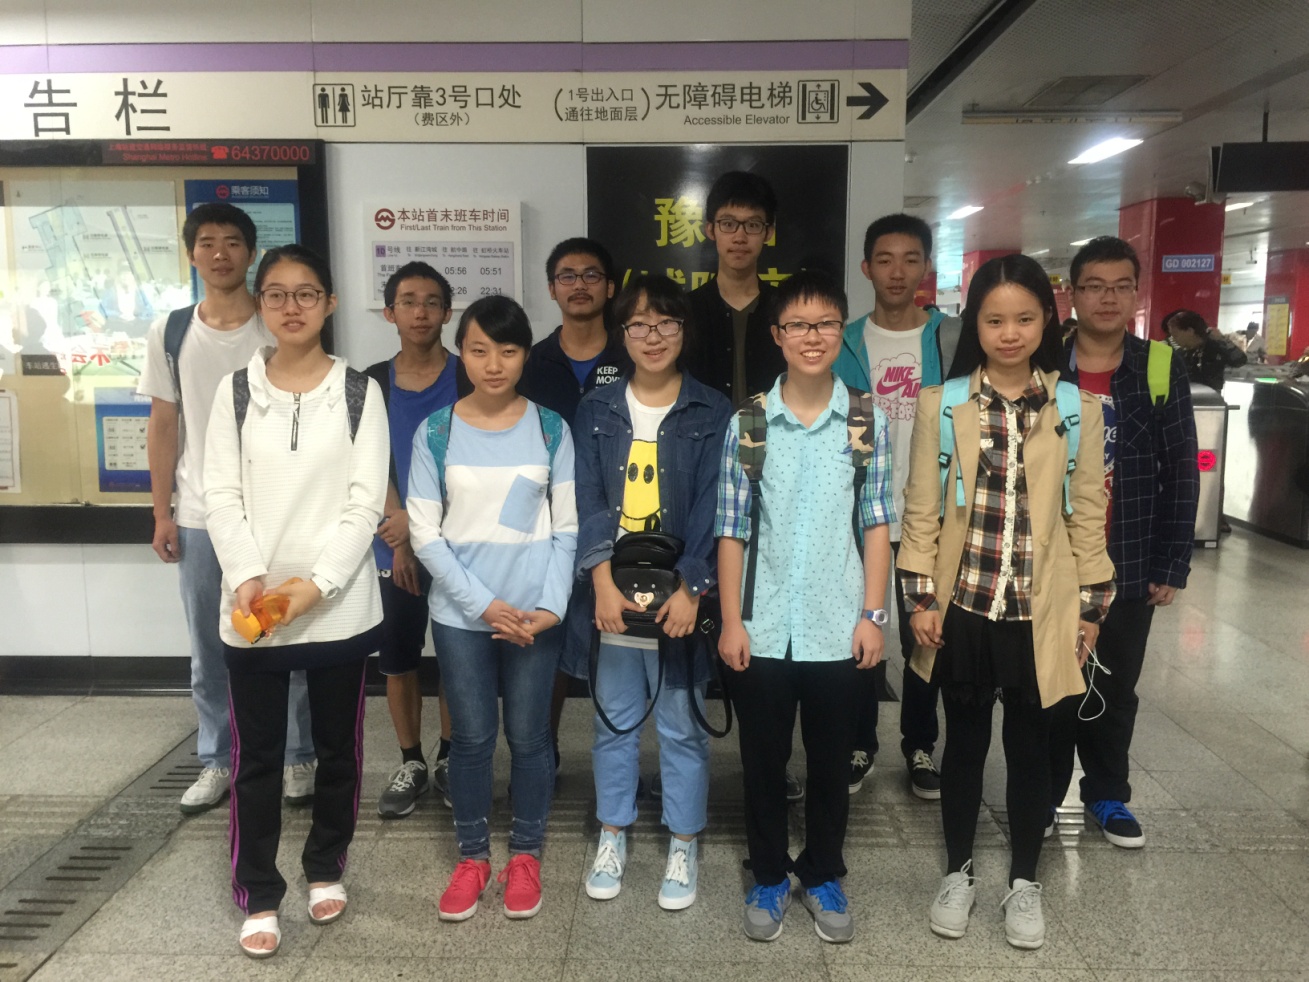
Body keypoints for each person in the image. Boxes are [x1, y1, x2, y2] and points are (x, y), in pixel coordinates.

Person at [897, 253, 1116, 951]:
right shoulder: (943, 404)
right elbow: (921, 511)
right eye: (994, 320)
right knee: (962, 746)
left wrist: (1091, 609)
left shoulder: (1077, 409)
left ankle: (1024, 881)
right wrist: (919, 599)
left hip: (1040, 609)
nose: (1010, 333)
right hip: (964, 604)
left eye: (1024, 318)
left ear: (1047, 319)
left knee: (1031, 751)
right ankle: (957, 872)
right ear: (976, 325)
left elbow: (1087, 514)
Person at [204, 244, 389, 958]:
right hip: (254, 609)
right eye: (276, 294)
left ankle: (324, 865)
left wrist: (316, 585)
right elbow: (220, 494)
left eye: (306, 293)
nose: (291, 307)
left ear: (329, 304)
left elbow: (365, 502)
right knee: (257, 758)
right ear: (261, 304)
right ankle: (258, 891)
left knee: (339, 750)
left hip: (337, 605)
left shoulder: (358, 392)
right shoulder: (236, 393)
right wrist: (249, 575)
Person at [716, 270, 894, 944]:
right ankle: (767, 872)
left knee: (830, 763)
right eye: (797, 325)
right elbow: (731, 529)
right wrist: (731, 621)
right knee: (762, 762)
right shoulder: (750, 421)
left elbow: (876, 522)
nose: (811, 337)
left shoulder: (865, 418)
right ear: (777, 335)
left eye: (824, 324)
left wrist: (872, 616)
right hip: (761, 627)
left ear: (841, 332)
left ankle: (821, 872)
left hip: (838, 624)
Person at [137, 202, 316, 816]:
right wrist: (162, 511)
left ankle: (297, 755)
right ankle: (217, 758)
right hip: (198, 513)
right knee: (209, 644)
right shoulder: (171, 331)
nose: (220, 253)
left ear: (250, 252)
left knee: (283, 629)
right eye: (207, 242)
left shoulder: (276, 326)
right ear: (191, 253)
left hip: (274, 512)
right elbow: (164, 423)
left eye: (233, 241)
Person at [408, 295, 578, 922]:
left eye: (507, 351)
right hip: (462, 617)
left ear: (525, 354)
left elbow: (568, 528)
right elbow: (425, 535)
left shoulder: (551, 428)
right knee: (473, 738)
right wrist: (483, 606)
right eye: (479, 350)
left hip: (534, 616)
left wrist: (551, 608)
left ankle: (526, 854)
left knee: (531, 739)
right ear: (462, 353)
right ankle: (473, 857)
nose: (494, 364)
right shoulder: (437, 432)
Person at [568, 274, 731, 909]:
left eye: (666, 323)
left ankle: (683, 842)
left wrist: (692, 587)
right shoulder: (597, 409)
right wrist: (600, 582)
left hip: (679, 601)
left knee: (681, 727)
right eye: (639, 324)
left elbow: (716, 506)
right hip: (613, 599)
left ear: (684, 331)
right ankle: (613, 832)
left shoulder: (712, 410)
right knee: (613, 722)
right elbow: (586, 497)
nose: (653, 336)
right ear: (623, 333)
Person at [1049, 237, 1199, 848]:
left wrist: (1172, 561)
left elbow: (1181, 468)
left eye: (1120, 286)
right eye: (1094, 286)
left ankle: (1107, 793)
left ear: (1136, 294)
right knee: (1049, 682)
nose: (1107, 298)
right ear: (1072, 294)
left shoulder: (1159, 366)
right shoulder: (1045, 362)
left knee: (1114, 684)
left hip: (1128, 556)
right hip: (1051, 558)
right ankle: (1043, 792)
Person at [834, 212, 962, 800]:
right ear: (866, 268)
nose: (897, 271)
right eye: (884, 260)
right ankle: (860, 742)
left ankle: (919, 745)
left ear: (926, 267)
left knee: (924, 635)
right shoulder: (845, 341)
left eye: (911, 259)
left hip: (930, 516)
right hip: (862, 511)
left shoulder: (950, 339)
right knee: (862, 627)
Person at [518, 237, 630, 773]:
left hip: (622, 521)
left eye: (591, 275)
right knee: (548, 645)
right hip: (546, 525)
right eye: (567, 275)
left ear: (610, 288)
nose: (579, 285)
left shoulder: (633, 355)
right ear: (551, 288)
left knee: (620, 642)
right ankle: (543, 756)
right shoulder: (531, 363)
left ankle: (619, 764)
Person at [364, 262, 471, 819]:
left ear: (447, 312)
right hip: (392, 541)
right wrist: (400, 529)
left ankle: (450, 757)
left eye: (432, 302)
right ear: (390, 313)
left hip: (457, 541)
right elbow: (365, 460)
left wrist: (420, 527)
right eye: (408, 301)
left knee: (456, 654)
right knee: (399, 657)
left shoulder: (468, 376)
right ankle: (411, 761)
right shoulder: (371, 383)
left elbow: (477, 461)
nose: (421, 312)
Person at [686, 170, 787, 405]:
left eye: (752, 224)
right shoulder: (686, 310)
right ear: (710, 229)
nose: (740, 237)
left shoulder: (786, 309)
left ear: (768, 232)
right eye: (728, 224)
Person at [1164, 308, 1246, 392]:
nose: (1174, 339)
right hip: (1188, 395)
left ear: (1190, 331)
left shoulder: (1214, 346)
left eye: (1176, 335)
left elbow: (1240, 360)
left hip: (1212, 396)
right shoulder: (1181, 353)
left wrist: (1223, 339)